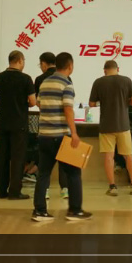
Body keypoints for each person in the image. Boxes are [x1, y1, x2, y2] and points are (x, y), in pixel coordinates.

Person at [32, 52, 91, 222]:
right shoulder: (67, 84)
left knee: (43, 174)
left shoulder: (44, 82)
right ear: (70, 66)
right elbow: (68, 109)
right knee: (73, 173)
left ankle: (39, 211)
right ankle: (75, 211)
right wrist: (74, 133)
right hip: (60, 136)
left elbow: (39, 103)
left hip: (44, 135)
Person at [0, 50, 36, 200]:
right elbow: (32, 101)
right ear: (20, 61)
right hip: (19, 124)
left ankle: (0, 191)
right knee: (18, 158)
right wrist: (24, 104)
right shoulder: (25, 79)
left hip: (3, 123)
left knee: (3, 157)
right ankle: (14, 191)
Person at [89, 60, 132, 196]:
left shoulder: (98, 82)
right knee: (128, 156)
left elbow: (91, 104)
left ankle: (112, 187)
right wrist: (124, 102)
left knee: (109, 156)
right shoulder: (126, 81)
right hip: (123, 125)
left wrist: (103, 102)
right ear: (118, 68)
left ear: (104, 70)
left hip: (106, 126)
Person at [34, 52, 69, 200]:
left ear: (43, 63)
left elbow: (38, 102)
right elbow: (68, 105)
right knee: (64, 161)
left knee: (44, 167)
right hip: (62, 128)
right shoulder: (66, 79)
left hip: (45, 129)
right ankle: (65, 189)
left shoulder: (40, 79)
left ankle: (45, 192)